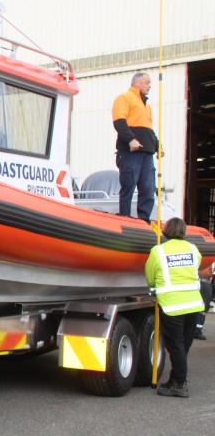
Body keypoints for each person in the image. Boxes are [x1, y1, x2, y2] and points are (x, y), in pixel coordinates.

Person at [145, 217, 205, 398]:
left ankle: (179, 384)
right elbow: (197, 266)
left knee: (176, 346)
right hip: (194, 304)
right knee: (183, 346)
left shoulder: (158, 251)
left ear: (166, 231)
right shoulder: (193, 249)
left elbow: (150, 276)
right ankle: (175, 379)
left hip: (172, 305)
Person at [112, 72, 159, 222]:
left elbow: (148, 129)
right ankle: (124, 216)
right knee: (129, 184)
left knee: (148, 187)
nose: (149, 85)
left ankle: (144, 219)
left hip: (147, 152)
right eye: (147, 82)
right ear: (137, 83)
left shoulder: (146, 105)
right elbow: (119, 122)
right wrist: (130, 140)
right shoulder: (124, 98)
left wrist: (157, 145)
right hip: (131, 152)